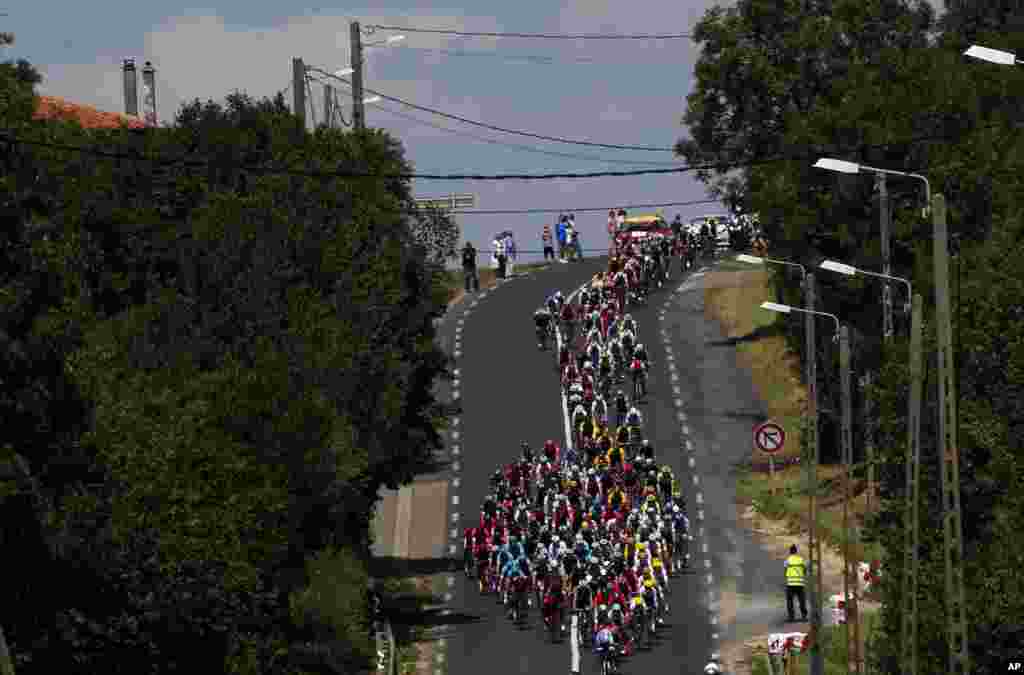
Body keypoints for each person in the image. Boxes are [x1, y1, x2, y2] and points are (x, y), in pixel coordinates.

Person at [784, 544, 808, 622]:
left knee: (790, 601)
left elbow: (785, 571)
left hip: (790, 584)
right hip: (800, 584)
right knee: (802, 600)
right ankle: (804, 616)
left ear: (790, 551)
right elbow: (804, 570)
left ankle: (791, 617)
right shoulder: (801, 560)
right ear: (796, 551)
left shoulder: (787, 560)